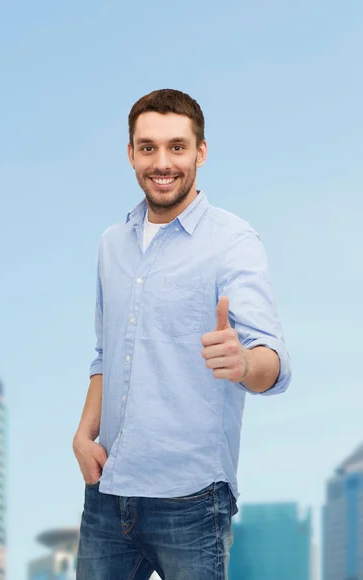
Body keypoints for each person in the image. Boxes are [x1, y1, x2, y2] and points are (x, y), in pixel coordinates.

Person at [72, 89, 292, 580]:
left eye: (177, 146)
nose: (162, 162)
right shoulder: (112, 243)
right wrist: (83, 435)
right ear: (131, 154)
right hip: (109, 493)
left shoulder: (232, 241)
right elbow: (106, 354)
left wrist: (243, 364)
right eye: (148, 147)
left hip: (191, 502)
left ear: (201, 152)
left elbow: (273, 362)